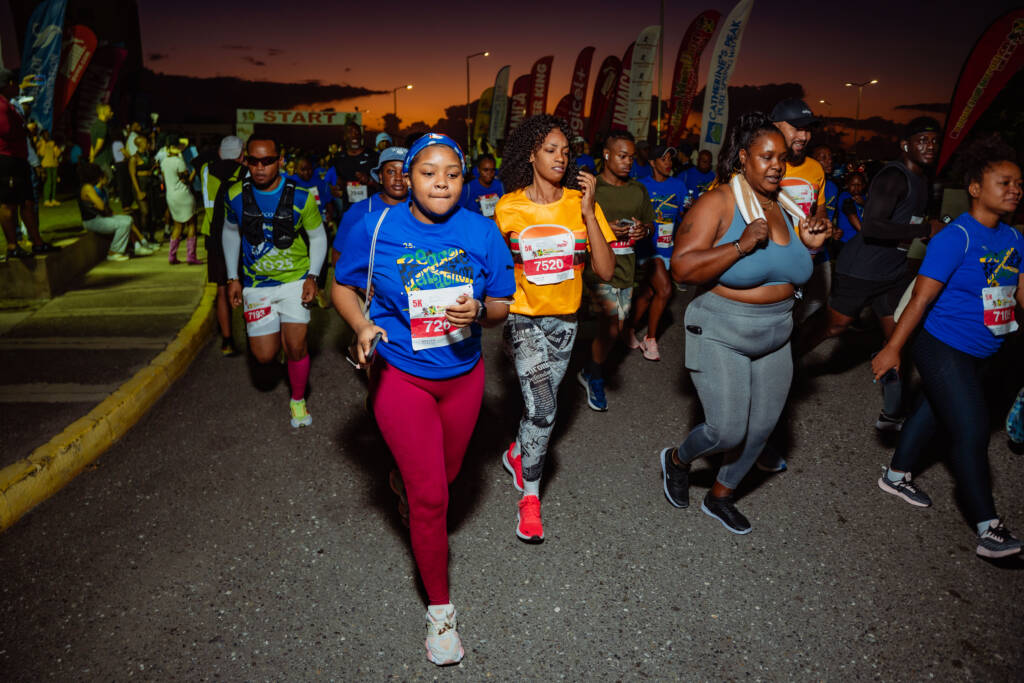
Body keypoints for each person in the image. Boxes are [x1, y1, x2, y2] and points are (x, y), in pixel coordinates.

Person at [334, 132, 515, 665]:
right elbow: (341, 285)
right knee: (431, 498)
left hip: (463, 376)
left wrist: (480, 312)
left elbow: (502, 304)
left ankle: (403, 480)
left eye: (452, 174)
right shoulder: (375, 226)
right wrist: (362, 326)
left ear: (463, 180)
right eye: (428, 172)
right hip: (401, 376)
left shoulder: (482, 231)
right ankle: (440, 613)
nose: (441, 182)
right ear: (407, 178)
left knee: (449, 474)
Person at [658, 112, 828, 533]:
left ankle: (721, 495)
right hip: (722, 329)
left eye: (781, 158)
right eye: (766, 156)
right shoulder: (718, 203)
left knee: (762, 428)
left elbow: (788, 272)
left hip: (777, 331)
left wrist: (809, 247)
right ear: (743, 158)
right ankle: (677, 460)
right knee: (727, 431)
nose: (776, 165)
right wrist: (740, 244)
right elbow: (682, 268)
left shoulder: (785, 206)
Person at [871, 136, 1023, 559]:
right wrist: (893, 348)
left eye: (1019, 183)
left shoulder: (1014, 238)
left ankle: (896, 475)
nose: (1015, 189)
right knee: (971, 428)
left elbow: (1019, 293)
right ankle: (988, 528)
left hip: (986, 349)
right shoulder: (957, 238)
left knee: (933, 411)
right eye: (1005, 182)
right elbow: (920, 300)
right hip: (941, 346)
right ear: (975, 187)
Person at [496, 114, 615, 542]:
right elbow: (496, 269)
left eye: (565, 151)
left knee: (537, 410)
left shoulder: (581, 204)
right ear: (531, 155)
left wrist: (588, 211)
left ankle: (517, 450)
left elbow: (606, 269)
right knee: (545, 408)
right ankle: (530, 500)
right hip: (523, 318)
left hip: (565, 322)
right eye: (550, 150)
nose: (560, 158)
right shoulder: (508, 207)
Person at [804, 117, 944, 430]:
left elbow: (905, 223)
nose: (930, 146)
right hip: (862, 270)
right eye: (922, 140)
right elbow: (872, 226)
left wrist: (929, 232)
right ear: (906, 145)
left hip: (892, 272)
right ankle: (781, 364)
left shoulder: (921, 179)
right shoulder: (894, 177)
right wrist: (924, 229)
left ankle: (892, 413)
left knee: (897, 338)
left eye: (935, 141)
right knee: (833, 326)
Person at [222, 135, 327, 428]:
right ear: (245, 161)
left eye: (267, 161)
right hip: (257, 284)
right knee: (264, 355)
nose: (260, 167)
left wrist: (313, 276)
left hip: (295, 280)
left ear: (280, 161)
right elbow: (229, 232)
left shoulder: (302, 196)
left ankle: (298, 400)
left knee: (296, 346)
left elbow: (318, 237)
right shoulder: (235, 195)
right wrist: (232, 277)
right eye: (253, 161)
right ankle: (278, 342)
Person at [578, 130, 654, 411]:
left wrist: (643, 230)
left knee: (616, 328)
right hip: (595, 270)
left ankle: (588, 368)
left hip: (626, 269)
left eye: (631, 157)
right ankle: (594, 376)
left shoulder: (638, 190)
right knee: (609, 326)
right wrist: (603, 228)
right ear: (607, 154)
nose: (628, 162)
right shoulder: (591, 188)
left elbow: (650, 224)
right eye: (622, 156)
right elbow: (575, 226)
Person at [771, 99, 832, 324]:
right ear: (775, 126)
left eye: (807, 129)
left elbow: (819, 206)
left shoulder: (815, 169)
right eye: (797, 128)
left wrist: (821, 222)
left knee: (793, 317)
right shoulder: (757, 165)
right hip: (767, 257)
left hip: (804, 256)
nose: (804, 136)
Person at [627, 143, 687, 361]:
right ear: (652, 162)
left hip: (668, 247)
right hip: (648, 248)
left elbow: (683, 218)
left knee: (648, 293)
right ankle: (650, 340)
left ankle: (628, 329)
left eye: (670, 159)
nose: (668, 163)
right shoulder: (640, 186)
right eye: (663, 159)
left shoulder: (679, 186)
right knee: (665, 290)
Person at [0, 67, 59, 258]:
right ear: (8, 84)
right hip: (7, 159)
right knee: (9, 203)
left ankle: (37, 242)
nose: (17, 87)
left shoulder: (8, 103)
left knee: (27, 202)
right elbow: (6, 130)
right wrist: (24, 130)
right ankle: (12, 246)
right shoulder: (1, 105)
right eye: (15, 84)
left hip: (19, 158)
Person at [200, 135, 246, 356]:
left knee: (221, 289)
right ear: (241, 155)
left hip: (213, 236)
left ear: (220, 152)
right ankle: (253, 335)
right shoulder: (244, 173)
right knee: (247, 288)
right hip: (239, 236)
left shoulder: (206, 171)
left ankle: (227, 341)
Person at [330, 145, 409, 263]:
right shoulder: (359, 212)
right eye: (391, 171)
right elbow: (338, 256)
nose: (398, 178)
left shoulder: (422, 209)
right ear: (380, 176)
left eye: (404, 172)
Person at [78, 162, 154, 260]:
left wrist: (98, 205)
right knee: (123, 224)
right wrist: (98, 204)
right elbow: (101, 206)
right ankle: (114, 251)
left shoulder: (89, 187)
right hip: (92, 221)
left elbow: (101, 206)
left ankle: (137, 246)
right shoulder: (87, 188)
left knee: (128, 219)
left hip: (99, 218)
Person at [328, 122, 378, 216]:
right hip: (349, 210)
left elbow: (382, 185)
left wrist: (369, 180)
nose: (354, 135)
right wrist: (335, 188)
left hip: (371, 209)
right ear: (344, 136)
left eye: (357, 132)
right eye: (350, 132)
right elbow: (334, 182)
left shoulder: (373, 156)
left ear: (361, 136)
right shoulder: (338, 158)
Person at [161, 141, 199, 265]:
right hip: (183, 195)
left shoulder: (164, 161)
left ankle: (172, 256)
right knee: (192, 224)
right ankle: (191, 256)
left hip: (171, 196)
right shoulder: (179, 162)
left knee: (177, 226)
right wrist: (195, 170)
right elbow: (187, 181)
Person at [460, 153, 504, 218]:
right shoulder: (467, 189)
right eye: (486, 170)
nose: (489, 174)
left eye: (492, 170)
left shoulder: (500, 186)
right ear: (478, 170)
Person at [833, 171, 867, 251]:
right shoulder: (844, 196)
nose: (856, 187)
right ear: (847, 185)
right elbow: (851, 215)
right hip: (846, 241)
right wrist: (866, 233)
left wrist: (864, 203)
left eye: (859, 184)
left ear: (863, 186)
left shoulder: (865, 198)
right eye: (853, 184)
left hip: (860, 241)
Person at [89, 103, 114, 181]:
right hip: (103, 162)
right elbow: (99, 145)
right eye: (109, 111)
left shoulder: (95, 125)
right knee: (108, 180)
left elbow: (92, 145)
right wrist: (93, 156)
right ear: (104, 112)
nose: (112, 113)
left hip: (97, 161)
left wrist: (91, 158)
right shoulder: (103, 127)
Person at [37, 130, 62, 207]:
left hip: (54, 164)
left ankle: (53, 199)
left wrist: (58, 148)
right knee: (48, 182)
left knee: (54, 182)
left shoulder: (52, 143)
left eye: (48, 134)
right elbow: (41, 153)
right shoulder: (40, 143)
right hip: (46, 165)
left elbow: (57, 154)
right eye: (45, 134)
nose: (47, 135)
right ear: (42, 136)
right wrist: (43, 143)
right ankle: (46, 200)